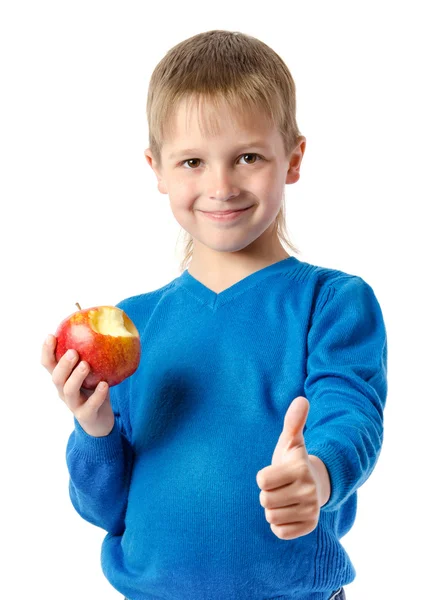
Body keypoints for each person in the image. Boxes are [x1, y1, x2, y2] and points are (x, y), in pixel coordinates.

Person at [41, 29, 388, 600]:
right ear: (157, 169)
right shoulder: (132, 324)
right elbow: (102, 509)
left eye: (248, 157)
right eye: (193, 162)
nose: (221, 185)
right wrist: (93, 428)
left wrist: (318, 476)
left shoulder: (333, 302)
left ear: (293, 159)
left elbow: (351, 414)